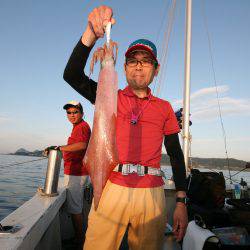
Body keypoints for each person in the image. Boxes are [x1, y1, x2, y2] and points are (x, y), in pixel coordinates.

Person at [63, 6, 188, 250]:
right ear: (125, 66)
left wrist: (181, 201)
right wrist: (90, 34)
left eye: (146, 61)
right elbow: (72, 75)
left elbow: (175, 153)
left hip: (151, 194)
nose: (139, 66)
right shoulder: (109, 96)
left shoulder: (164, 108)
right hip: (112, 187)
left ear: (156, 68)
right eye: (132, 61)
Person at [45, 101, 91, 247]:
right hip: (75, 172)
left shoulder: (82, 127)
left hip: (77, 174)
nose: (72, 115)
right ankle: (80, 237)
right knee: (76, 207)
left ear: (82, 114)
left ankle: (79, 240)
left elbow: (82, 145)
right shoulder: (77, 127)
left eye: (75, 112)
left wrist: (59, 148)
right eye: (69, 113)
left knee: (75, 209)